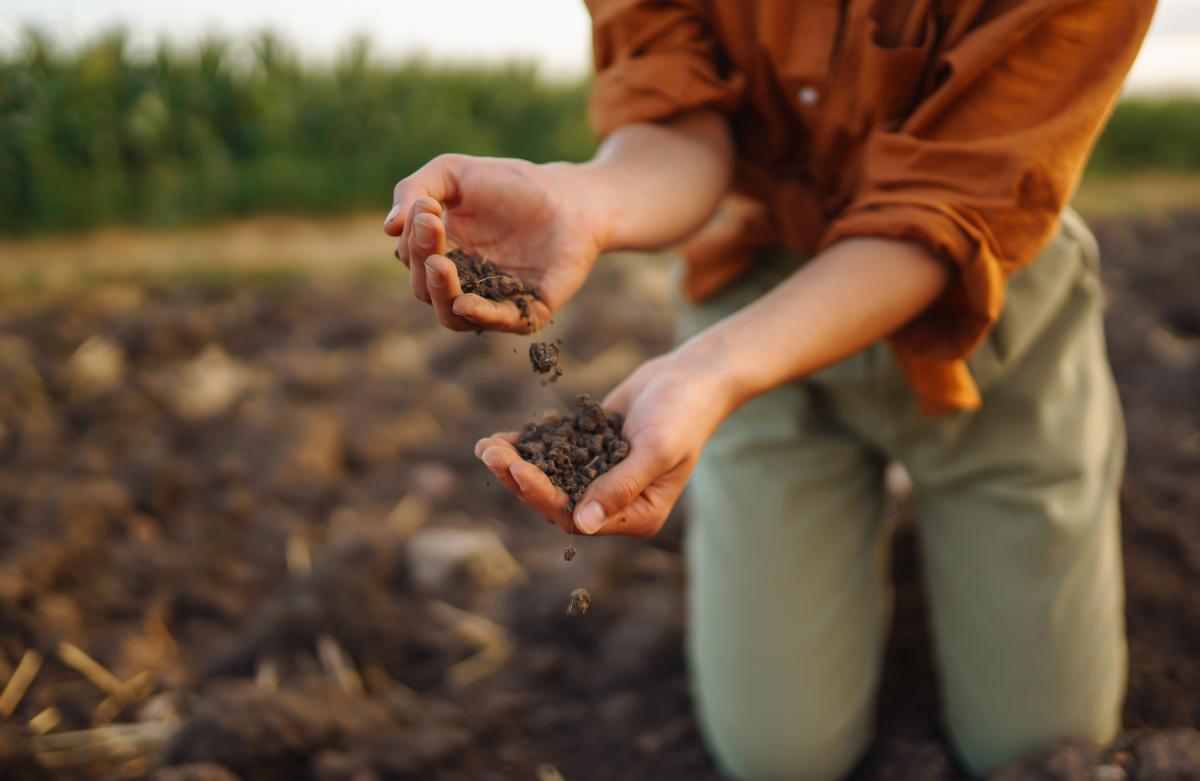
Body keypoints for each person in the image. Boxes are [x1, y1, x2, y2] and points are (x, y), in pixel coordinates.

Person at [384, 1, 1155, 778]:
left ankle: (944, 545)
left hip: (980, 304)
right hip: (755, 299)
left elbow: (951, 203)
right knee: (778, 756)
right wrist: (584, 198)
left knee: (1039, 746)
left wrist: (710, 369)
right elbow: (683, 124)